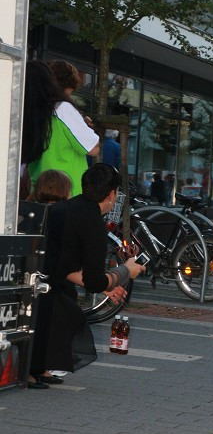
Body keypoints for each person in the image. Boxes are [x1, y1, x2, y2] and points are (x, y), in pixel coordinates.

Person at [28, 164, 145, 389]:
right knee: (66, 313)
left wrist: (106, 287)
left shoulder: (68, 207)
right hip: (45, 281)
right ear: (112, 194)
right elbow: (94, 281)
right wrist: (126, 271)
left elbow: (63, 264)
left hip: (41, 273)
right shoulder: (92, 223)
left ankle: (39, 367)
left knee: (66, 309)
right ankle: (32, 369)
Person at [22, 60, 99, 197]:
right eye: (70, 92)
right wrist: (83, 126)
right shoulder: (62, 109)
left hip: (38, 191)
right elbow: (93, 148)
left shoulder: (30, 112)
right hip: (66, 192)